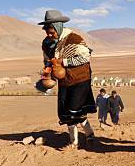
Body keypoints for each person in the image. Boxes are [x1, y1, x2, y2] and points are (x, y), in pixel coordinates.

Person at [39, 10, 96, 148]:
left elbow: (85, 57)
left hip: (80, 78)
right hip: (65, 81)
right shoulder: (47, 43)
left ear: (58, 27)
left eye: (52, 32)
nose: (49, 35)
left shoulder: (74, 39)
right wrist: (48, 69)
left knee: (74, 109)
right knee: (66, 112)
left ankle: (80, 139)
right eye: (47, 32)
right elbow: (47, 60)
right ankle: (82, 138)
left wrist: (63, 62)